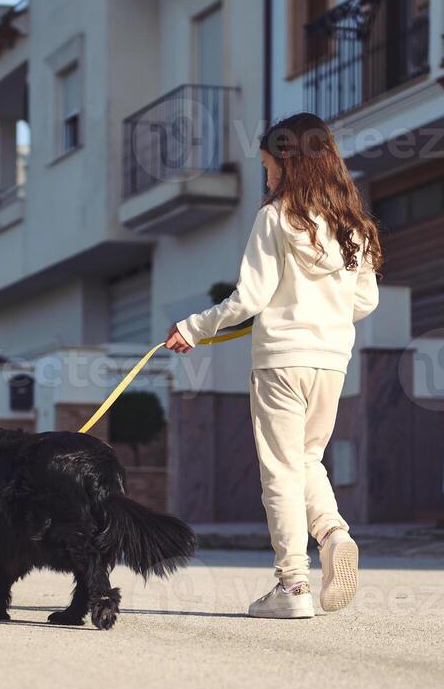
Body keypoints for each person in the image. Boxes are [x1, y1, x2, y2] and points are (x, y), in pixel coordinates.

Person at [164, 113, 383, 619]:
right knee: (306, 460)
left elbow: (250, 298)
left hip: (281, 361)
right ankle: (332, 534)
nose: (267, 179)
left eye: (268, 168)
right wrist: (323, 312)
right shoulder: (356, 226)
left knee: (280, 472)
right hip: (332, 362)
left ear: (290, 163)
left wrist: (193, 328)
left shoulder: (276, 218)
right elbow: (365, 301)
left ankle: (292, 586)